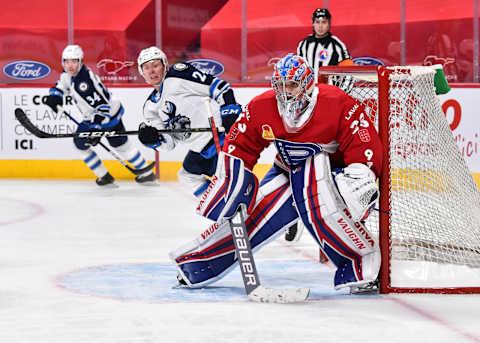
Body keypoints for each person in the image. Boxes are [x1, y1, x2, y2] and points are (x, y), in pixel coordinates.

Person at [171, 54, 383, 293]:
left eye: (291, 84)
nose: (285, 91)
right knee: (255, 213)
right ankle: (199, 265)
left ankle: (361, 262)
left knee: (319, 201)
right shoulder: (262, 105)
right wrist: (232, 179)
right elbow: (240, 144)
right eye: (280, 84)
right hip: (287, 171)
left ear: (307, 84)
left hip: (332, 174)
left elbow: (363, 139)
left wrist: (361, 173)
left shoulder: (336, 102)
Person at [136, 46, 242, 197]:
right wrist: (153, 140)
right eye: (146, 68)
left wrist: (229, 115)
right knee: (187, 175)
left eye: (155, 65)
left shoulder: (177, 76)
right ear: (142, 73)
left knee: (234, 182)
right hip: (200, 148)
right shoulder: (150, 108)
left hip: (219, 137)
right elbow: (169, 144)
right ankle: (217, 206)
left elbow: (220, 87)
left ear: (165, 65)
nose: (151, 71)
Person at [45, 44, 155, 186]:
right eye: (66, 61)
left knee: (87, 145)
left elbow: (102, 108)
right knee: (118, 146)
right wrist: (55, 96)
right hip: (103, 115)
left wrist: (96, 130)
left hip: (105, 116)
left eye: (74, 61)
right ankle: (146, 174)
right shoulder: (68, 74)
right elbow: (61, 84)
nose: (70, 65)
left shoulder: (85, 83)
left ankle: (106, 176)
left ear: (81, 62)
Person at [288, 8, 354, 241]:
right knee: (297, 158)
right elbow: (295, 74)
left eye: (324, 21)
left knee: (328, 159)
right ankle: (292, 216)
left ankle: (340, 214)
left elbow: (348, 74)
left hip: (327, 109)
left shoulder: (337, 45)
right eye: (317, 21)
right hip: (304, 109)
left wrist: (337, 99)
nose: (320, 25)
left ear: (329, 23)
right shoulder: (303, 45)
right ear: (312, 23)